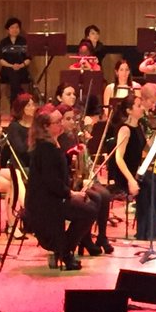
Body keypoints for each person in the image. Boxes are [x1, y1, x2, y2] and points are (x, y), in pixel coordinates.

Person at [25, 106, 96, 271]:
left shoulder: (53, 143)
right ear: (45, 127)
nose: (61, 124)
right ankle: (64, 252)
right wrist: (71, 194)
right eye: (57, 122)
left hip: (54, 197)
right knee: (88, 211)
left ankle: (63, 250)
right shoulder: (45, 149)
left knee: (91, 206)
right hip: (46, 203)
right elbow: (52, 182)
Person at [113, 94, 156, 241]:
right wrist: (131, 180)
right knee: (149, 186)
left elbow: (143, 149)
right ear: (129, 110)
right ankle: (145, 231)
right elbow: (118, 158)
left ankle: (155, 228)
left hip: (138, 171)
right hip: (126, 174)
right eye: (138, 106)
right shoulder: (124, 130)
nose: (142, 108)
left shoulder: (139, 126)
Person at [0, 17, 31, 101]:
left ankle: (14, 102)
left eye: (17, 27)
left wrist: (20, 65)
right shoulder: (3, 42)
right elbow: (1, 60)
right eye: (12, 27)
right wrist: (11, 66)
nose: (14, 29)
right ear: (8, 29)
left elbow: (28, 59)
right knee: (13, 73)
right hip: (7, 70)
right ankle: (16, 100)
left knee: (16, 74)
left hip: (21, 69)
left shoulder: (24, 42)